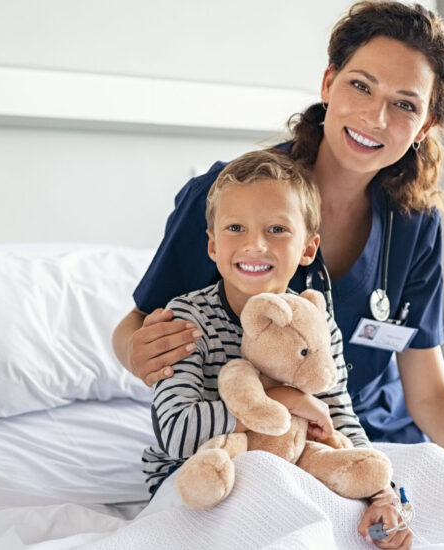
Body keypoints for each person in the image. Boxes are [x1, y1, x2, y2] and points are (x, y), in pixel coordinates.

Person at [114, 0, 444, 535]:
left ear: (426, 124)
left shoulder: (413, 223)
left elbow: (427, 394)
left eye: (404, 104)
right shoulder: (233, 199)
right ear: (329, 82)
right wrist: (137, 350)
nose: (375, 118)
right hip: (263, 438)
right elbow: (135, 329)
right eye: (361, 86)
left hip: (373, 440)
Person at [138, 149, 409, 544]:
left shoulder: (316, 321)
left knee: (362, 500)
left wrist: (382, 492)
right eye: (235, 229)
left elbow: (339, 416)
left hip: (294, 458)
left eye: (277, 230)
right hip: (198, 472)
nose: (256, 245)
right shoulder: (188, 320)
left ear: (308, 249)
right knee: (268, 491)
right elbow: (176, 432)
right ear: (212, 246)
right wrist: (282, 401)